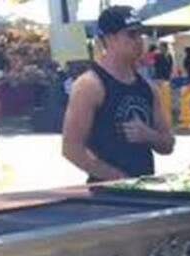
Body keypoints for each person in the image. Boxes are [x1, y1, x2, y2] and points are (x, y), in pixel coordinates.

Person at [62, 6, 174, 182]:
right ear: (110, 39)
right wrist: (120, 180)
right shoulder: (90, 85)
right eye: (131, 34)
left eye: (140, 34)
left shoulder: (147, 87)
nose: (139, 41)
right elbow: (72, 149)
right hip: (107, 193)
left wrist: (149, 135)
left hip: (144, 188)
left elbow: (168, 144)